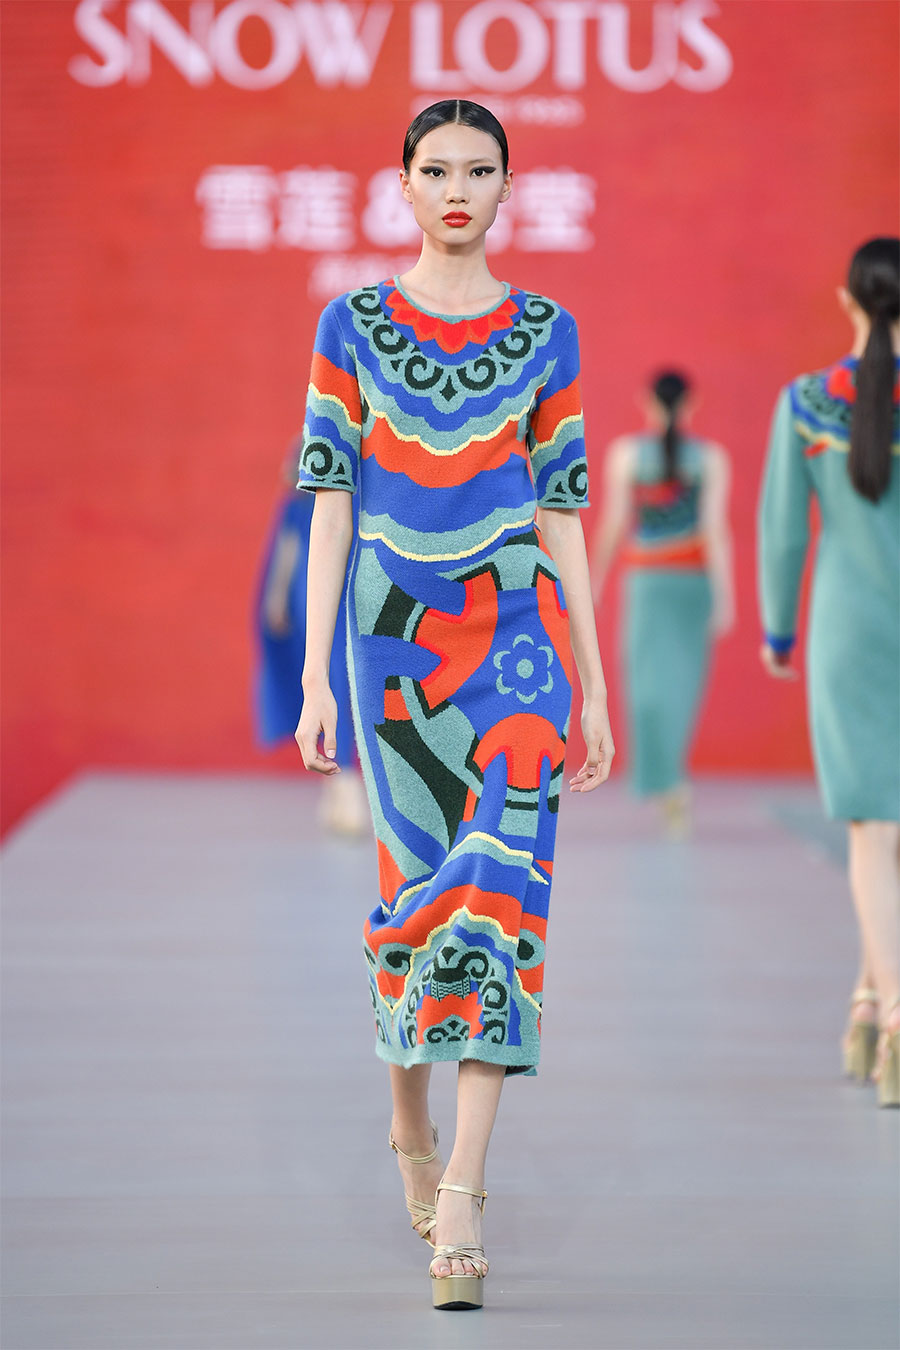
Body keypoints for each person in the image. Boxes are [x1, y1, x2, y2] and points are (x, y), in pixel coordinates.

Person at [294, 99, 614, 1308]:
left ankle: (467, 1187)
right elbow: (331, 500)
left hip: (519, 650)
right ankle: (409, 1121)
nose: (458, 190)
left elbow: (564, 509)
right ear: (404, 184)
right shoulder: (352, 325)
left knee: (503, 897)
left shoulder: (547, 331)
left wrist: (594, 677)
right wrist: (317, 673)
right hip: (393, 650)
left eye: (480, 171)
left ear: (509, 185)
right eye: (436, 171)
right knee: (414, 895)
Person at [758, 237, 900, 1108]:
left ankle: (885, 1013)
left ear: (847, 301)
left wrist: (778, 629)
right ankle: (871, 1004)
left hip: (848, 632)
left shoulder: (806, 402)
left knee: (871, 833)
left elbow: (783, 531)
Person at [590, 371, 734, 836]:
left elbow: (613, 523)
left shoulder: (627, 455)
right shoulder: (710, 458)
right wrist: (725, 595)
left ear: (646, 401)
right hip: (692, 583)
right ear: (691, 402)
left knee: (646, 686)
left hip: (648, 583)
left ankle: (667, 782)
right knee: (681, 687)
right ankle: (672, 780)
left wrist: (594, 579)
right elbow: (715, 531)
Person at [254, 447, 367, 835]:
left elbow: (287, 555)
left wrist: (276, 598)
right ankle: (341, 783)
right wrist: (277, 598)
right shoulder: (315, 505)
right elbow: (287, 553)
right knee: (331, 687)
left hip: (320, 601)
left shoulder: (313, 504)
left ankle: (339, 784)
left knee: (331, 687)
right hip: (324, 602)